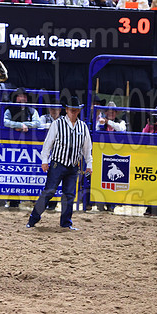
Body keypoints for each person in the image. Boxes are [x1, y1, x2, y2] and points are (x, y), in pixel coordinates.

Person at [26, 96, 92, 230]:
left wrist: (89, 164)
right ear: (66, 110)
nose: (73, 112)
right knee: (49, 192)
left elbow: (87, 148)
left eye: (76, 110)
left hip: (73, 166)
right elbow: (48, 144)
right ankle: (33, 219)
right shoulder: (57, 124)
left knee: (69, 195)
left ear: (78, 111)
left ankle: (66, 224)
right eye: (71, 110)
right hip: (57, 164)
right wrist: (45, 160)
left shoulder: (82, 126)